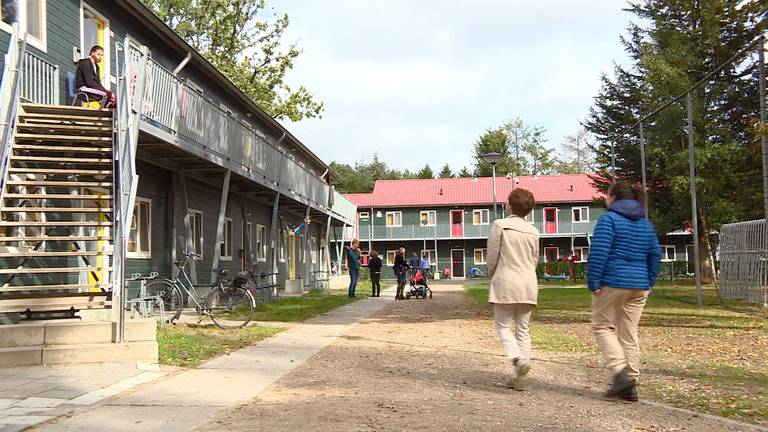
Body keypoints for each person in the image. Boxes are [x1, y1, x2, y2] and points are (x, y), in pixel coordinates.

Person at [587, 181, 660, 403]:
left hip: (613, 282)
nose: (605, 199)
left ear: (614, 198)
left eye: (607, 195)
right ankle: (630, 384)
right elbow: (654, 255)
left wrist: (594, 281)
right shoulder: (645, 224)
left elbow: (599, 252)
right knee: (629, 332)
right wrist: (649, 281)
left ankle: (620, 374)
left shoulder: (609, 220)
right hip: (639, 286)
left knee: (603, 326)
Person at [487, 188, 539, 391]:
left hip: (506, 278)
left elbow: (492, 255)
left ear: (509, 205)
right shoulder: (533, 231)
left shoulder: (500, 225)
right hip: (528, 281)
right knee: (523, 330)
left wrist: (493, 274)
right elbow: (534, 259)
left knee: (503, 326)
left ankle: (517, 359)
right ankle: (519, 378)